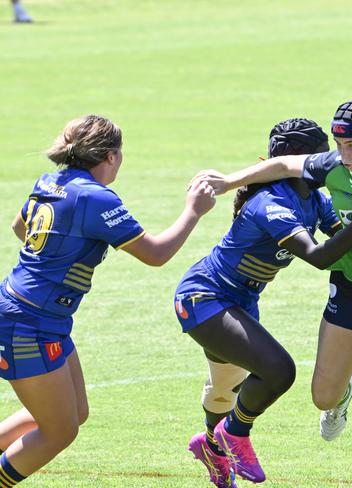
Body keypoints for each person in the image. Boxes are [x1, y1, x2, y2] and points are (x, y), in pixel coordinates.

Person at [194, 98, 352, 488]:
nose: (342, 156)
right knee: (323, 397)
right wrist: (228, 182)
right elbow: (281, 165)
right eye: (338, 145)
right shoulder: (330, 166)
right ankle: (345, 388)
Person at [0, 115, 216, 486]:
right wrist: (193, 209)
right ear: (112, 156)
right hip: (29, 323)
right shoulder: (96, 198)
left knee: (75, 413)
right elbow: (155, 254)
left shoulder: (52, 179)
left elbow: (22, 228)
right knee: (59, 432)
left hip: (34, 313)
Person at [177, 117, 352, 488]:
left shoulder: (313, 199)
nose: (333, 160)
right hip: (203, 298)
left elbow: (341, 243)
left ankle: (210, 445)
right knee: (278, 371)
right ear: (300, 161)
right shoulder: (270, 204)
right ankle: (233, 435)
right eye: (326, 152)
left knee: (226, 390)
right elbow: (320, 256)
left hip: (239, 302)